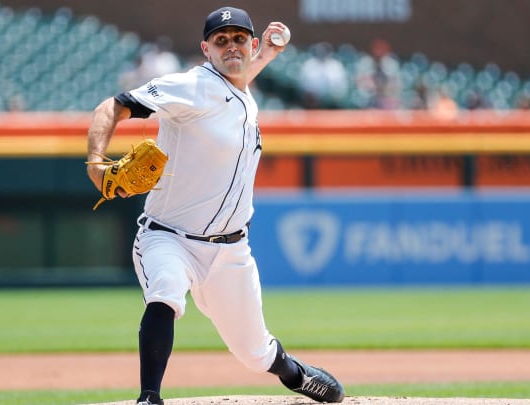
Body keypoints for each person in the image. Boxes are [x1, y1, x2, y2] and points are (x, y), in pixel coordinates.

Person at [87, 6, 345, 405]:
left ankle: (295, 374)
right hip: (168, 237)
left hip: (230, 252)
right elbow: (112, 106)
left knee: (255, 352)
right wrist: (96, 163)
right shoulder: (190, 86)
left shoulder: (239, 90)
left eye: (239, 38)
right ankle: (148, 397)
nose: (231, 46)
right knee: (166, 293)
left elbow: (232, 87)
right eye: (221, 40)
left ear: (251, 44)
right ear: (205, 50)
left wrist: (266, 58)